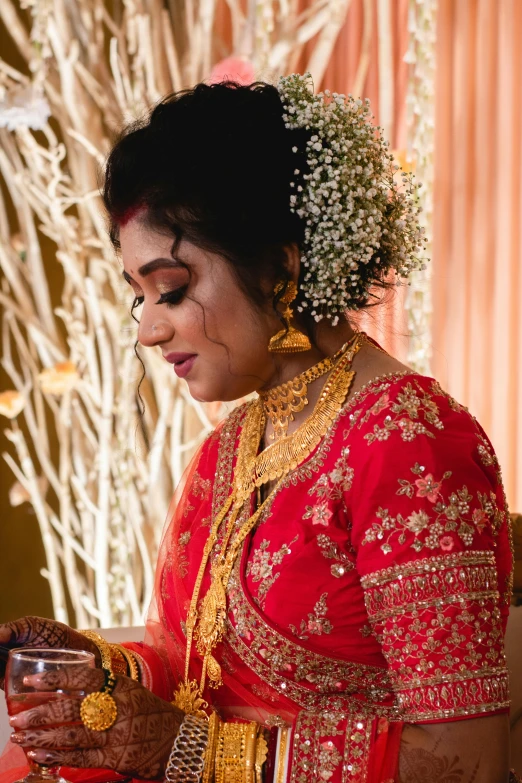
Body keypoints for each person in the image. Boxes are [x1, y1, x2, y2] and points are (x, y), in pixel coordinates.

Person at [0, 74, 516, 783]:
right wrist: (97, 669)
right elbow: (193, 681)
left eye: (173, 289)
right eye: (139, 297)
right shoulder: (231, 445)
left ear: (281, 267)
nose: (149, 329)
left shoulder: (410, 443)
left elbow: (470, 765)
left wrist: (191, 752)